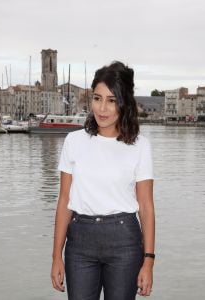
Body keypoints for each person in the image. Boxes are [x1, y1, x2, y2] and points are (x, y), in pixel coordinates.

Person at [51, 61, 155, 300]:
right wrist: (57, 255)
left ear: (124, 102)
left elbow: (146, 207)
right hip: (80, 244)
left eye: (111, 100)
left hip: (124, 243)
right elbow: (64, 200)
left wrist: (148, 261)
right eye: (97, 98)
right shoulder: (74, 142)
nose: (102, 108)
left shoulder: (140, 146)